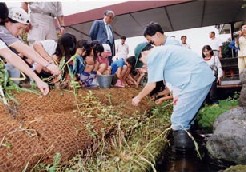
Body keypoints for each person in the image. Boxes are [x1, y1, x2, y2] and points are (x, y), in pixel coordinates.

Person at [132, 22, 215, 151]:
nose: (143, 64)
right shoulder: (164, 50)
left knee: (178, 120)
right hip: (197, 78)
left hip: (195, 80)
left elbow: (151, 84)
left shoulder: (155, 54)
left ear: (145, 53)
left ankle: (185, 159)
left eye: (141, 61)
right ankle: (193, 145)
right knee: (185, 117)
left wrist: (138, 97)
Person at [0, 3, 49, 95]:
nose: (20, 32)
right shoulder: (3, 32)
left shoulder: (13, 38)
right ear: (7, 22)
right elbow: (16, 53)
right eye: (18, 28)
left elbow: (19, 53)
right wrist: (48, 65)